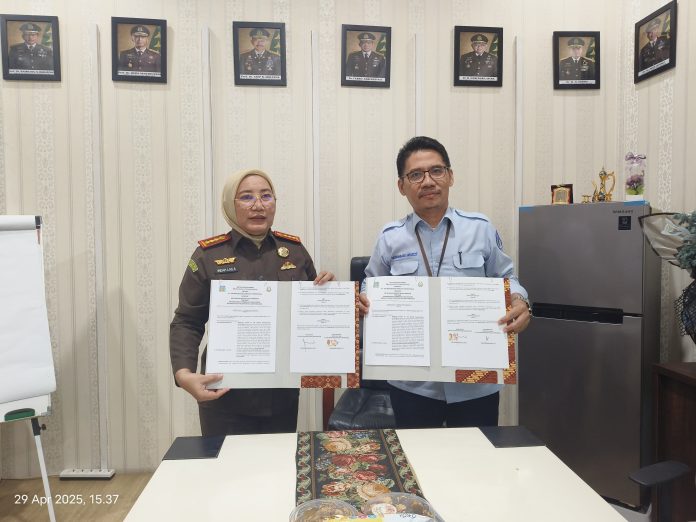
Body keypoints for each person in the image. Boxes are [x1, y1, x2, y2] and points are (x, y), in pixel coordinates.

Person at [358, 136, 531, 429]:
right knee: (417, 455)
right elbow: (370, 285)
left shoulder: (481, 229)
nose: (428, 181)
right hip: (413, 383)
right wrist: (363, 300)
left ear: (450, 176)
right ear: (401, 186)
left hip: (475, 381)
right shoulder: (390, 237)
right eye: (416, 175)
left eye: (436, 171)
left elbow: (506, 278)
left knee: (475, 454)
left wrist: (520, 300)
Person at [170, 169, 334, 436]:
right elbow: (187, 321)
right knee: (227, 462)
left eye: (266, 196)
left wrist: (329, 295)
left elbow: (310, 317)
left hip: (281, 395)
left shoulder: (294, 252)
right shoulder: (207, 256)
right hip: (225, 396)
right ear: (229, 205)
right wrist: (183, 374)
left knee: (278, 461)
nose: (258, 205)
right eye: (246, 197)